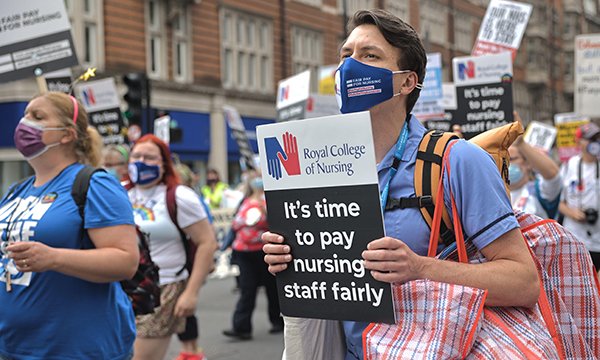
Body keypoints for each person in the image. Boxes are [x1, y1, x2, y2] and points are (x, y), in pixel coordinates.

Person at [262, 9, 539, 359]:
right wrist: (292, 255)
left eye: (369, 56)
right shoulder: (321, 164)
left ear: (407, 82)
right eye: (345, 55)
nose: (349, 67)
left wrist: (421, 268)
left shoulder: (457, 161)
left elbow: (523, 282)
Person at [0, 92, 139, 359]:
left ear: (66, 134)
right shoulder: (16, 191)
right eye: (26, 114)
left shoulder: (95, 184)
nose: (24, 122)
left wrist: (53, 258)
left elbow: (125, 261)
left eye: (38, 117)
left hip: (76, 348)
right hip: (14, 347)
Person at [128, 135, 217, 360]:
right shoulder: (119, 193)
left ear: (164, 163)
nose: (141, 161)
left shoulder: (180, 196)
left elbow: (207, 242)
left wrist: (191, 293)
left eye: (149, 157)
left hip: (164, 287)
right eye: (136, 156)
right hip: (122, 288)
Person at [223, 171, 284, 340]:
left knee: (272, 290)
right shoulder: (245, 201)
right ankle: (241, 327)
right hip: (244, 252)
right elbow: (236, 222)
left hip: (263, 252)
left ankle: (278, 322)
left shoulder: (269, 200)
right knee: (247, 290)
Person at [173, 162, 214, 360]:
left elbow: (208, 235)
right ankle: (189, 349)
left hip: (191, 260)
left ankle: (192, 351)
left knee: (185, 307)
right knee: (183, 310)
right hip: (182, 259)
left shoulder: (190, 200)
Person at [559, 122, 600, 271]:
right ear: (579, 142)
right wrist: (572, 213)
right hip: (575, 237)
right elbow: (558, 201)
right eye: (589, 139)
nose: (594, 143)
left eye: (597, 139)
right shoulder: (570, 166)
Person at [508, 115, 562, 219]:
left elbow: (553, 176)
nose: (507, 165)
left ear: (528, 163)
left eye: (512, 159)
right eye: (504, 161)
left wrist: (521, 143)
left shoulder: (539, 190)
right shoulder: (495, 194)